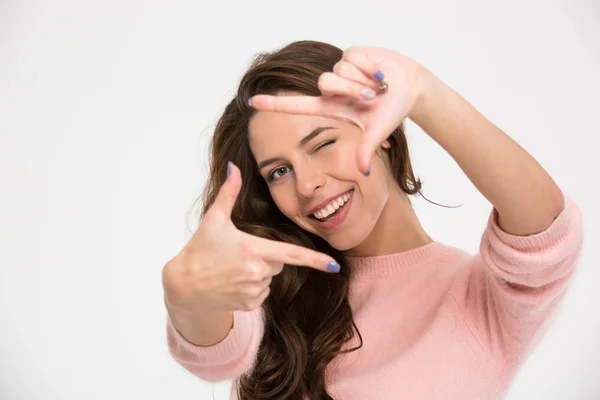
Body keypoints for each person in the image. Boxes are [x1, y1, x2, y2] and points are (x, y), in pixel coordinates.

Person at [161, 40, 583, 400]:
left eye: (323, 143)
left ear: (381, 131)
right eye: (279, 171)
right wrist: (186, 297)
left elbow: (545, 231)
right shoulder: (280, 291)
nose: (306, 184)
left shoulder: (482, 300)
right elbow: (217, 351)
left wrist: (423, 91)